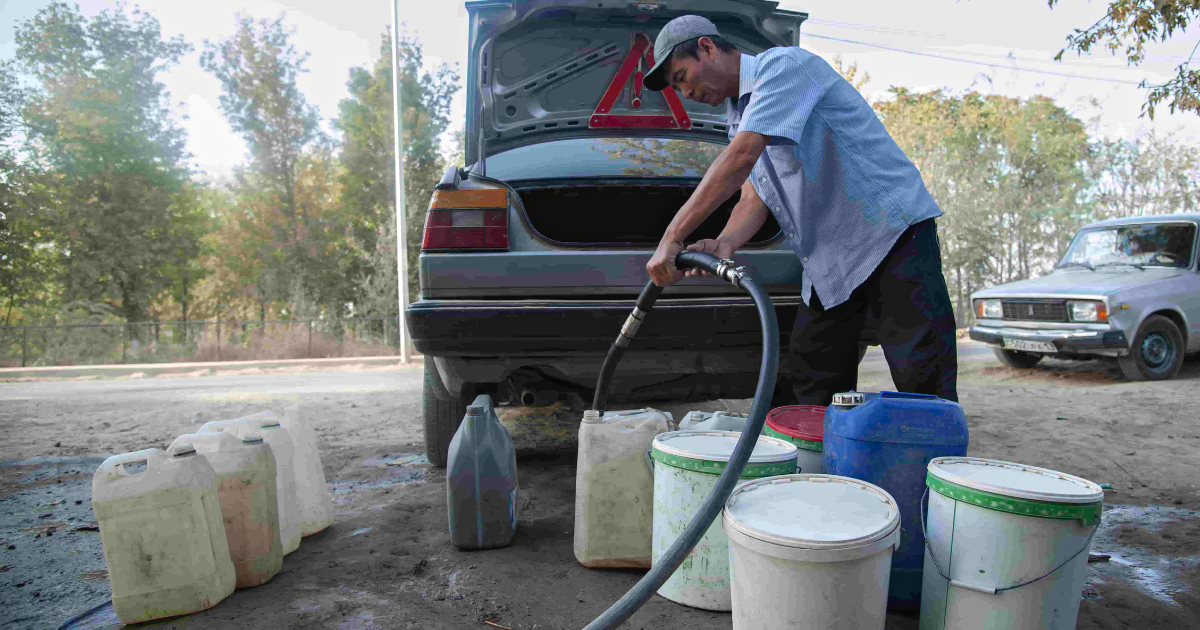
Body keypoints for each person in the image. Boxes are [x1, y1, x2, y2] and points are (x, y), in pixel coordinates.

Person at [642, 15, 958, 405]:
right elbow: (754, 197)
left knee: (923, 378)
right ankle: (826, 445)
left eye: (681, 77)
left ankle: (932, 443)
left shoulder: (783, 66)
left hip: (890, 237)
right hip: (830, 260)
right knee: (812, 377)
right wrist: (725, 243)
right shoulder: (738, 117)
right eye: (677, 87)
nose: (685, 92)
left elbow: (742, 156)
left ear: (707, 48)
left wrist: (672, 237)